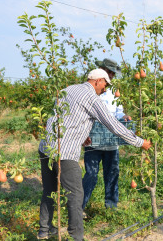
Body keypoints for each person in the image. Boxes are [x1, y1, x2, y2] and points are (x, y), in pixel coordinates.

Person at [37, 68, 152, 240]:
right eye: (105, 84)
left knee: (49, 190)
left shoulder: (67, 90)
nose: (105, 89)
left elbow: (61, 118)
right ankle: (77, 237)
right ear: (97, 80)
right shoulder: (92, 98)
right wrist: (139, 141)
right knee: (76, 195)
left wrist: (81, 136)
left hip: (46, 148)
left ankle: (44, 231)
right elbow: (112, 124)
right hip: (65, 153)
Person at [82, 58, 129, 213]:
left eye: (112, 74)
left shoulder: (113, 91)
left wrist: (124, 117)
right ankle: (80, 206)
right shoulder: (89, 89)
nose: (111, 76)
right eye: (109, 72)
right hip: (92, 140)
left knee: (112, 173)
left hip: (110, 140)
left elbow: (118, 111)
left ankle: (111, 207)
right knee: (91, 174)